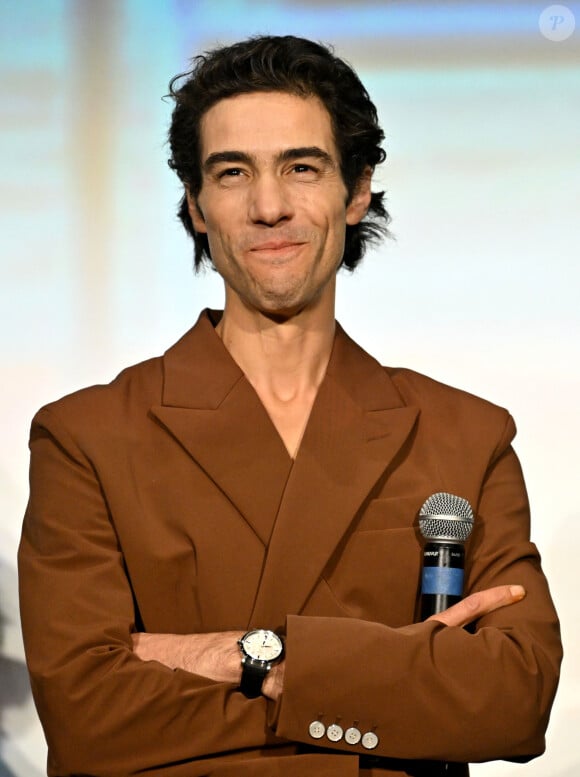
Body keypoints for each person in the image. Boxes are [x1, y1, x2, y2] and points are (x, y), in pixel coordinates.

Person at [18, 35, 561, 777]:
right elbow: (86, 718)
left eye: (300, 167)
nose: (268, 206)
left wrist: (251, 656)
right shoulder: (86, 436)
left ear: (358, 187)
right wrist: (394, 676)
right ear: (197, 204)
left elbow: (513, 697)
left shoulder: (466, 434)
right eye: (232, 172)